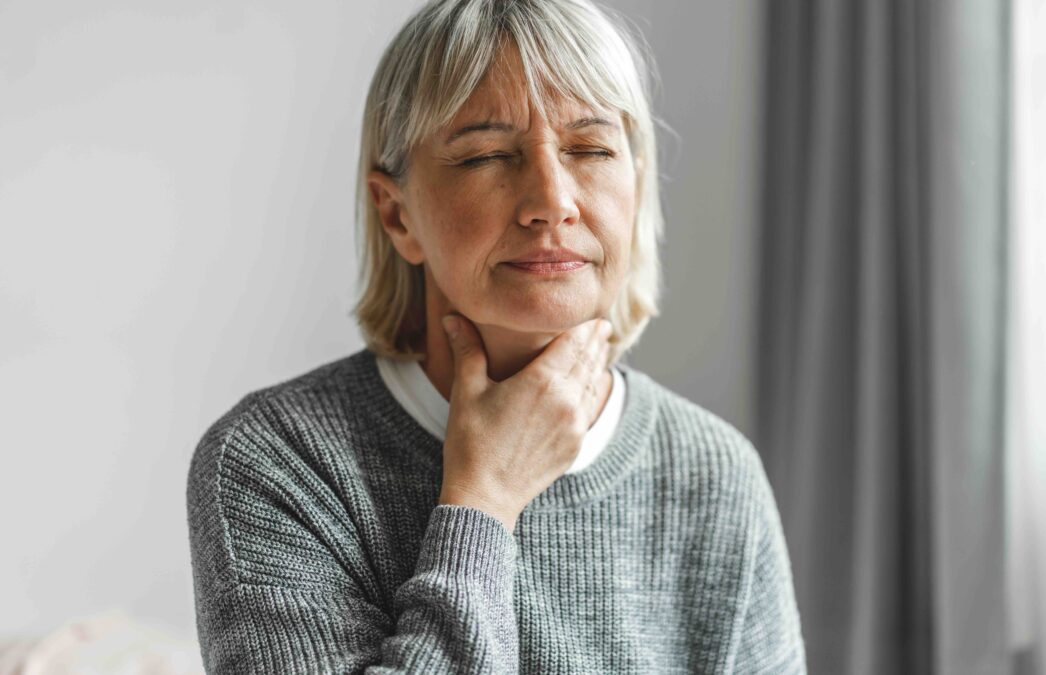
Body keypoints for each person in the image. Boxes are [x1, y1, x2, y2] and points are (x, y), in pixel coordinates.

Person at [186, 0, 806, 672]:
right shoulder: (277, 461)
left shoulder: (714, 472)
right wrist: (484, 497)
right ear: (398, 215)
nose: (552, 201)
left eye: (592, 149)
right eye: (487, 155)